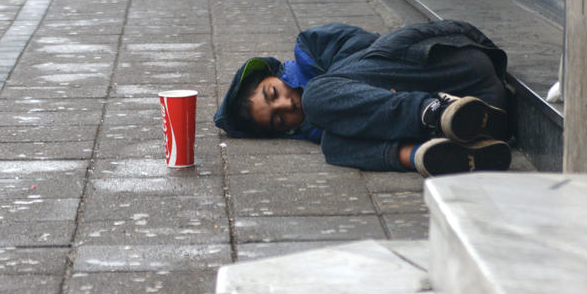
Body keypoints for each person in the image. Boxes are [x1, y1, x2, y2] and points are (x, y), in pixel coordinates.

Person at [215, 21, 513, 177]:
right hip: (485, 108)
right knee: (332, 146)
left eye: (273, 93)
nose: (285, 105)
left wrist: (352, 98)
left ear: (276, 73)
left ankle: (435, 112)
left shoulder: (315, 44)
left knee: (317, 97)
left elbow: (374, 57)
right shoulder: (329, 131)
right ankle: (433, 153)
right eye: (278, 119)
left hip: (453, 63)